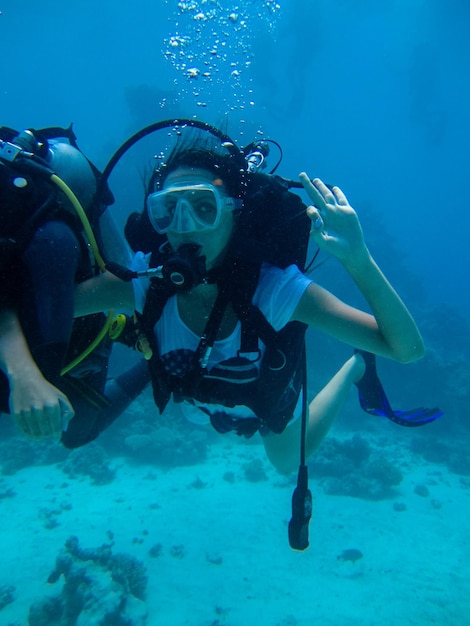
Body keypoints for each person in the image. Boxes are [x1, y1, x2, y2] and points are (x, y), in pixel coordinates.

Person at [73, 125, 441, 475]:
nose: (184, 224)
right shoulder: (143, 281)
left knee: (283, 462)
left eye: (204, 207)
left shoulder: (276, 291)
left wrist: (360, 261)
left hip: (266, 396)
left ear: (234, 213)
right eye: (169, 208)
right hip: (199, 400)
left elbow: (407, 349)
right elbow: (52, 310)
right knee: (198, 414)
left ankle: (356, 366)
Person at [0, 125, 150, 446]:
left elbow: (122, 266)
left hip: (85, 330)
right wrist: (23, 373)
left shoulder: (58, 178)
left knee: (78, 433)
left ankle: (146, 362)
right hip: (45, 326)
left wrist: (140, 322)